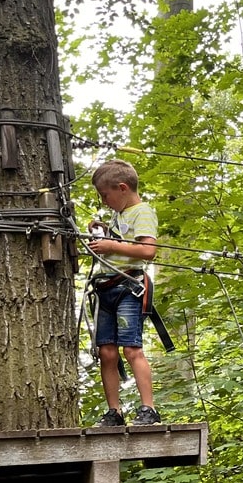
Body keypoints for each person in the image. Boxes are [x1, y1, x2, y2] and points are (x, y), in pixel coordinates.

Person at [87, 158, 161, 427]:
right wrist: (106, 233)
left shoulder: (142, 212)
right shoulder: (119, 214)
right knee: (106, 351)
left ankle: (148, 409)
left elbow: (147, 251)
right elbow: (122, 241)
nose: (104, 201)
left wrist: (111, 246)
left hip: (128, 287)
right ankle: (114, 412)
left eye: (105, 195)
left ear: (122, 188)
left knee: (131, 349)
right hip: (105, 287)